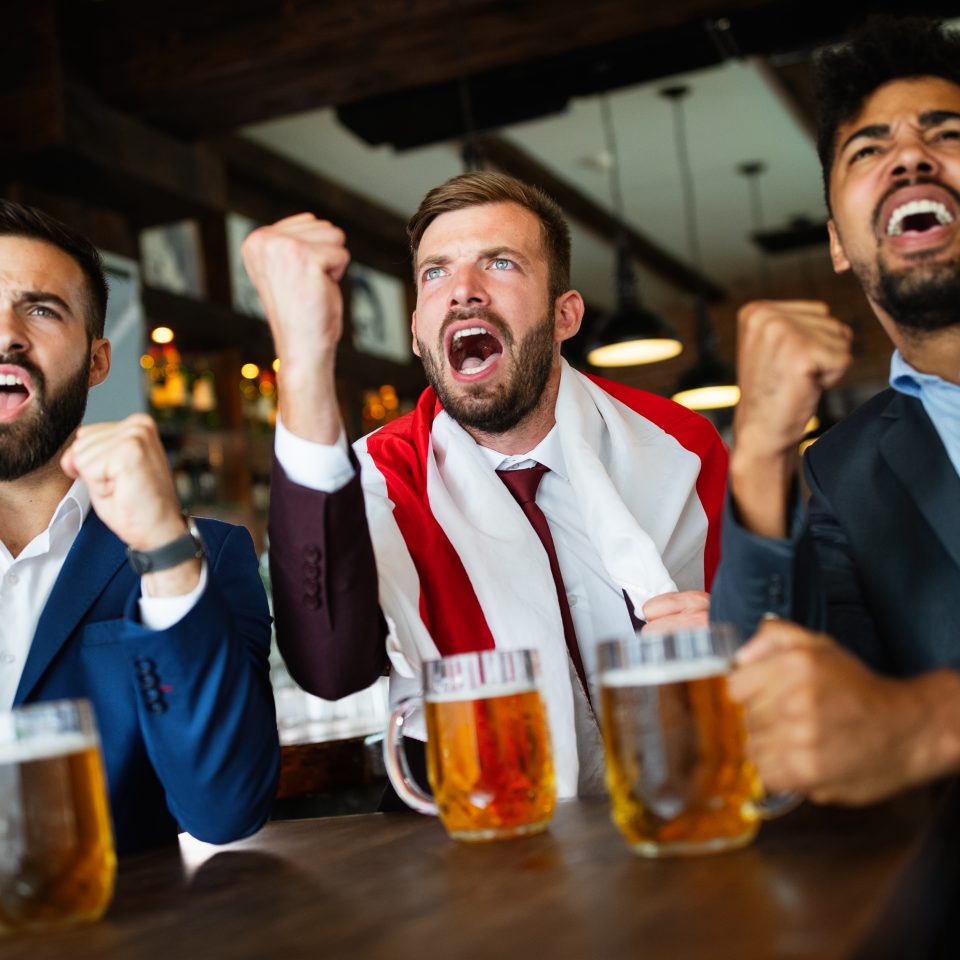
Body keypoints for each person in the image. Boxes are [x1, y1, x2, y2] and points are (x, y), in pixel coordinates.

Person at [247, 172, 727, 799]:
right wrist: (305, 359)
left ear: (565, 315)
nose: (463, 292)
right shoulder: (378, 479)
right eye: (435, 272)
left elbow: (761, 631)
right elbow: (330, 669)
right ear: (418, 331)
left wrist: (730, 637)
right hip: (491, 849)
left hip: (682, 805)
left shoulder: (679, 445)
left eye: (500, 263)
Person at [710, 16, 960, 806]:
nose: (910, 156)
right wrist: (757, 455)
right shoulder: (840, 475)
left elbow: (896, 728)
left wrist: (924, 725)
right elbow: (786, 743)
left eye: (945, 133)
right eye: (869, 149)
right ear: (840, 244)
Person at [0, 199, 280, 853]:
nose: (6, 332)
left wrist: (163, 551)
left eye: (40, 309)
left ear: (98, 361)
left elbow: (226, 808)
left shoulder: (205, 554)